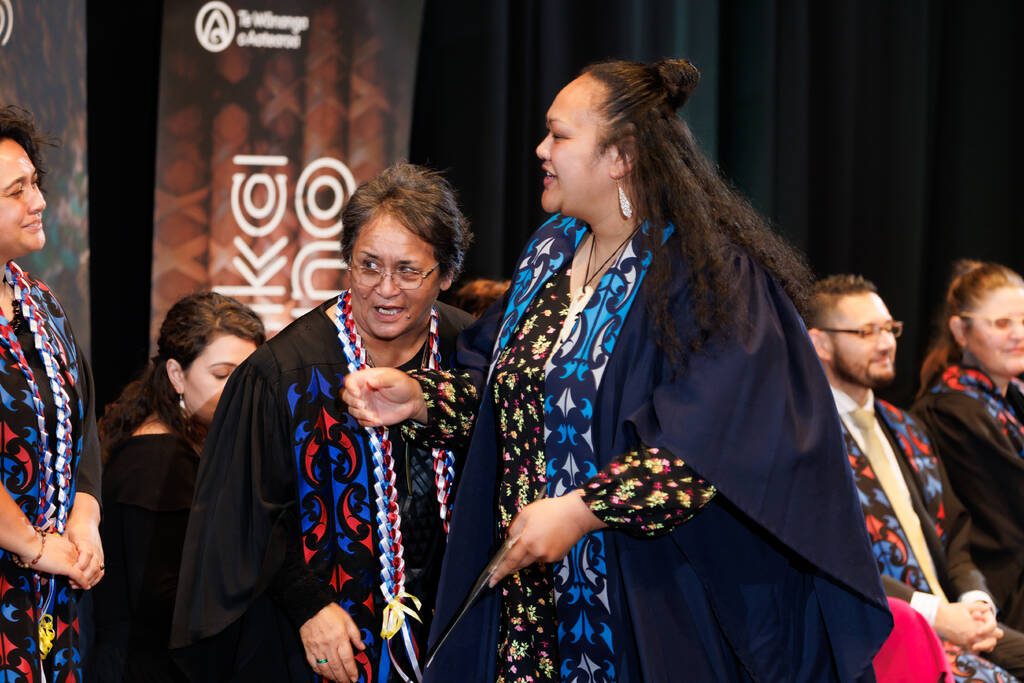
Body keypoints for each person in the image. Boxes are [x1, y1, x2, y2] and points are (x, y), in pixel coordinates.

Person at [343, 60, 891, 681]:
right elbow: (502, 389)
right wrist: (418, 398)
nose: (541, 149)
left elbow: (706, 452)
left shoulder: (711, 278)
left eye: (560, 136)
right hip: (531, 609)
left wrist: (580, 511)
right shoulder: (550, 252)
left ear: (621, 157)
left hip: (649, 605)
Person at [171, 162, 475, 683]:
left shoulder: (468, 351)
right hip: (324, 635)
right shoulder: (282, 373)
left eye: (408, 270)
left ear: (445, 276)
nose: (385, 290)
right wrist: (308, 606)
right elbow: (243, 518)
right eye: (368, 265)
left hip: (454, 624)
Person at [807, 274, 1024, 681]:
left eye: (890, 329)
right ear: (820, 343)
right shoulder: (806, 437)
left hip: (957, 618)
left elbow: (956, 532)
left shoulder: (906, 427)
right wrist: (937, 613)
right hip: (887, 630)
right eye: (866, 332)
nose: (887, 343)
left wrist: (975, 597)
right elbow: (832, 556)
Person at [92, 292, 264, 682]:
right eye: (223, 375)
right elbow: (161, 599)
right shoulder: (156, 459)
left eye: (248, 377)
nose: (239, 392)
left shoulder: (178, 444)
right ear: (176, 374)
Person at [0, 106, 104, 681]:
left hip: (50, 593)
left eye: (34, 183)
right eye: (17, 190)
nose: (38, 201)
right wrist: (38, 547)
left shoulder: (43, 304)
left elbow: (81, 423)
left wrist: (83, 520)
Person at [913, 261, 1024, 630]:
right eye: (1002, 323)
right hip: (998, 591)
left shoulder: (1011, 398)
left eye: (1023, 320)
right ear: (961, 331)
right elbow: (1010, 519)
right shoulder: (953, 411)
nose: (1018, 334)